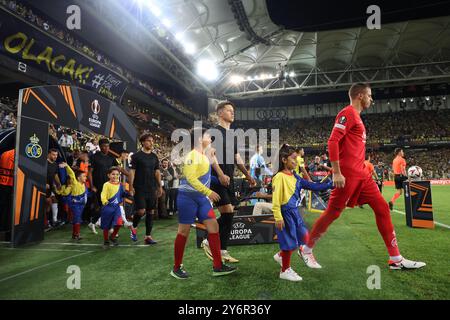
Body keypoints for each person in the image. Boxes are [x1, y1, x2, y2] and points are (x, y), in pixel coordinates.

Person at [300, 83, 426, 270]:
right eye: (369, 95)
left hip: (362, 175)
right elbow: (332, 141)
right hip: (348, 175)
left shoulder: (357, 118)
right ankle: (306, 249)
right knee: (333, 212)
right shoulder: (348, 113)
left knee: (382, 208)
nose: (371, 99)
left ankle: (396, 259)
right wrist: (336, 172)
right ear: (360, 96)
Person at [171, 127, 237, 279]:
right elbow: (191, 179)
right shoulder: (192, 156)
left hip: (201, 199)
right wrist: (209, 192)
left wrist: (219, 179)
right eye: (208, 135)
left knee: (214, 227)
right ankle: (176, 267)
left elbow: (204, 177)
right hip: (187, 199)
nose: (210, 137)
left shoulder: (203, 156)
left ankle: (218, 266)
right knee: (183, 232)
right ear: (200, 139)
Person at [203, 101, 256, 263]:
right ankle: (207, 238)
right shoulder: (212, 132)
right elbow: (208, 154)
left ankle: (222, 249)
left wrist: (247, 175)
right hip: (217, 178)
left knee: (230, 214)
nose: (232, 113)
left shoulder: (232, 135)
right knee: (227, 212)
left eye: (233, 111)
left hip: (229, 178)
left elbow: (236, 157)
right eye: (229, 110)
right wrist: (219, 174)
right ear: (220, 113)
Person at [272, 145, 333, 281]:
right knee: (289, 243)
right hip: (285, 212)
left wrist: (330, 184)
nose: (296, 161)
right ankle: (285, 270)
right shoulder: (279, 177)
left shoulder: (295, 176)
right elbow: (275, 200)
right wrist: (278, 217)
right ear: (283, 160)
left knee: (304, 236)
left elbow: (312, 186)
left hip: (295, 212)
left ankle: (282, 256)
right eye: (293, 158)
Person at [129, 133, 162, 244]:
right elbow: (132, 172)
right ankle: (134, 227)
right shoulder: (136, 156)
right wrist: (131, 186)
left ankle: (148, 236)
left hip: (151, 187)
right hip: (139, 187)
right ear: (143, 142)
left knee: (150, 211)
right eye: (149, 140)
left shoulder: (154, 157)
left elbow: (157, 172)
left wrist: (159, 186)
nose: (151, 143)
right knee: (141, 210)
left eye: (152, 141)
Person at [87, 138, 122, 234]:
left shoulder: (111, 158)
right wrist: (92, 185)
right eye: (104, 146)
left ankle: (94, 222)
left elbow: (118, 169)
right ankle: (108, 227)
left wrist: (130, 176)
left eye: (107, 146)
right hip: (98, 186)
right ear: (100, 146)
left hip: (110, 186)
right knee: (105, 207)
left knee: (107, 207)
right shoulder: (94, 157)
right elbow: (90, 172)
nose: (106, 148)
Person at [100, 167, 129, 248]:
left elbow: (122, 194)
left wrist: (129, 194)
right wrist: (105, 201)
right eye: (113, 174)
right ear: (108, 175)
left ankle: (112, 236)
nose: (115, 176)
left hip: (116, 208)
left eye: (117, 174)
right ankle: (106, 240)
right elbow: (103, 194)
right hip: (107, 207)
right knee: (106, 225)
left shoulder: (120, 185)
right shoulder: (106, 184)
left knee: (119, 223)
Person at [59, 163, 88, 241]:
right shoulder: (75, 183)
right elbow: (71, 173)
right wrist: (67, 166)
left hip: (81, 205)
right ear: (78, 178)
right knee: (77, 219)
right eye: (84, 176)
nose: (86, 177)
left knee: (77, 219)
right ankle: (76, 235)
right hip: (75, 204)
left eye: (86, 176)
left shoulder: (84, 185)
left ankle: (74, 234)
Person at [45, 149, 61, 230]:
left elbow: (55, 175)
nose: (55, 156)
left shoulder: (55, 164)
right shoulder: (44, 163)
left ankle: (54, 220)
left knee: (54, 200)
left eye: (56, 155)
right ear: (48, 154)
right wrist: (43, 183)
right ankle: (46, 223)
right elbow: (39, 173)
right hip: (43, 186)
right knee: (48, 202)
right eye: (53, 154)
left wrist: (58, 184)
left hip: (51, 186)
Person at [0, 149, 15, 237]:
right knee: (9, 208)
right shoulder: (17, 154)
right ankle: (7, 229)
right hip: (10, 184)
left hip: (1, 182)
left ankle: (2, 227)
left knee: (2, 206)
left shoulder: (4, 153)